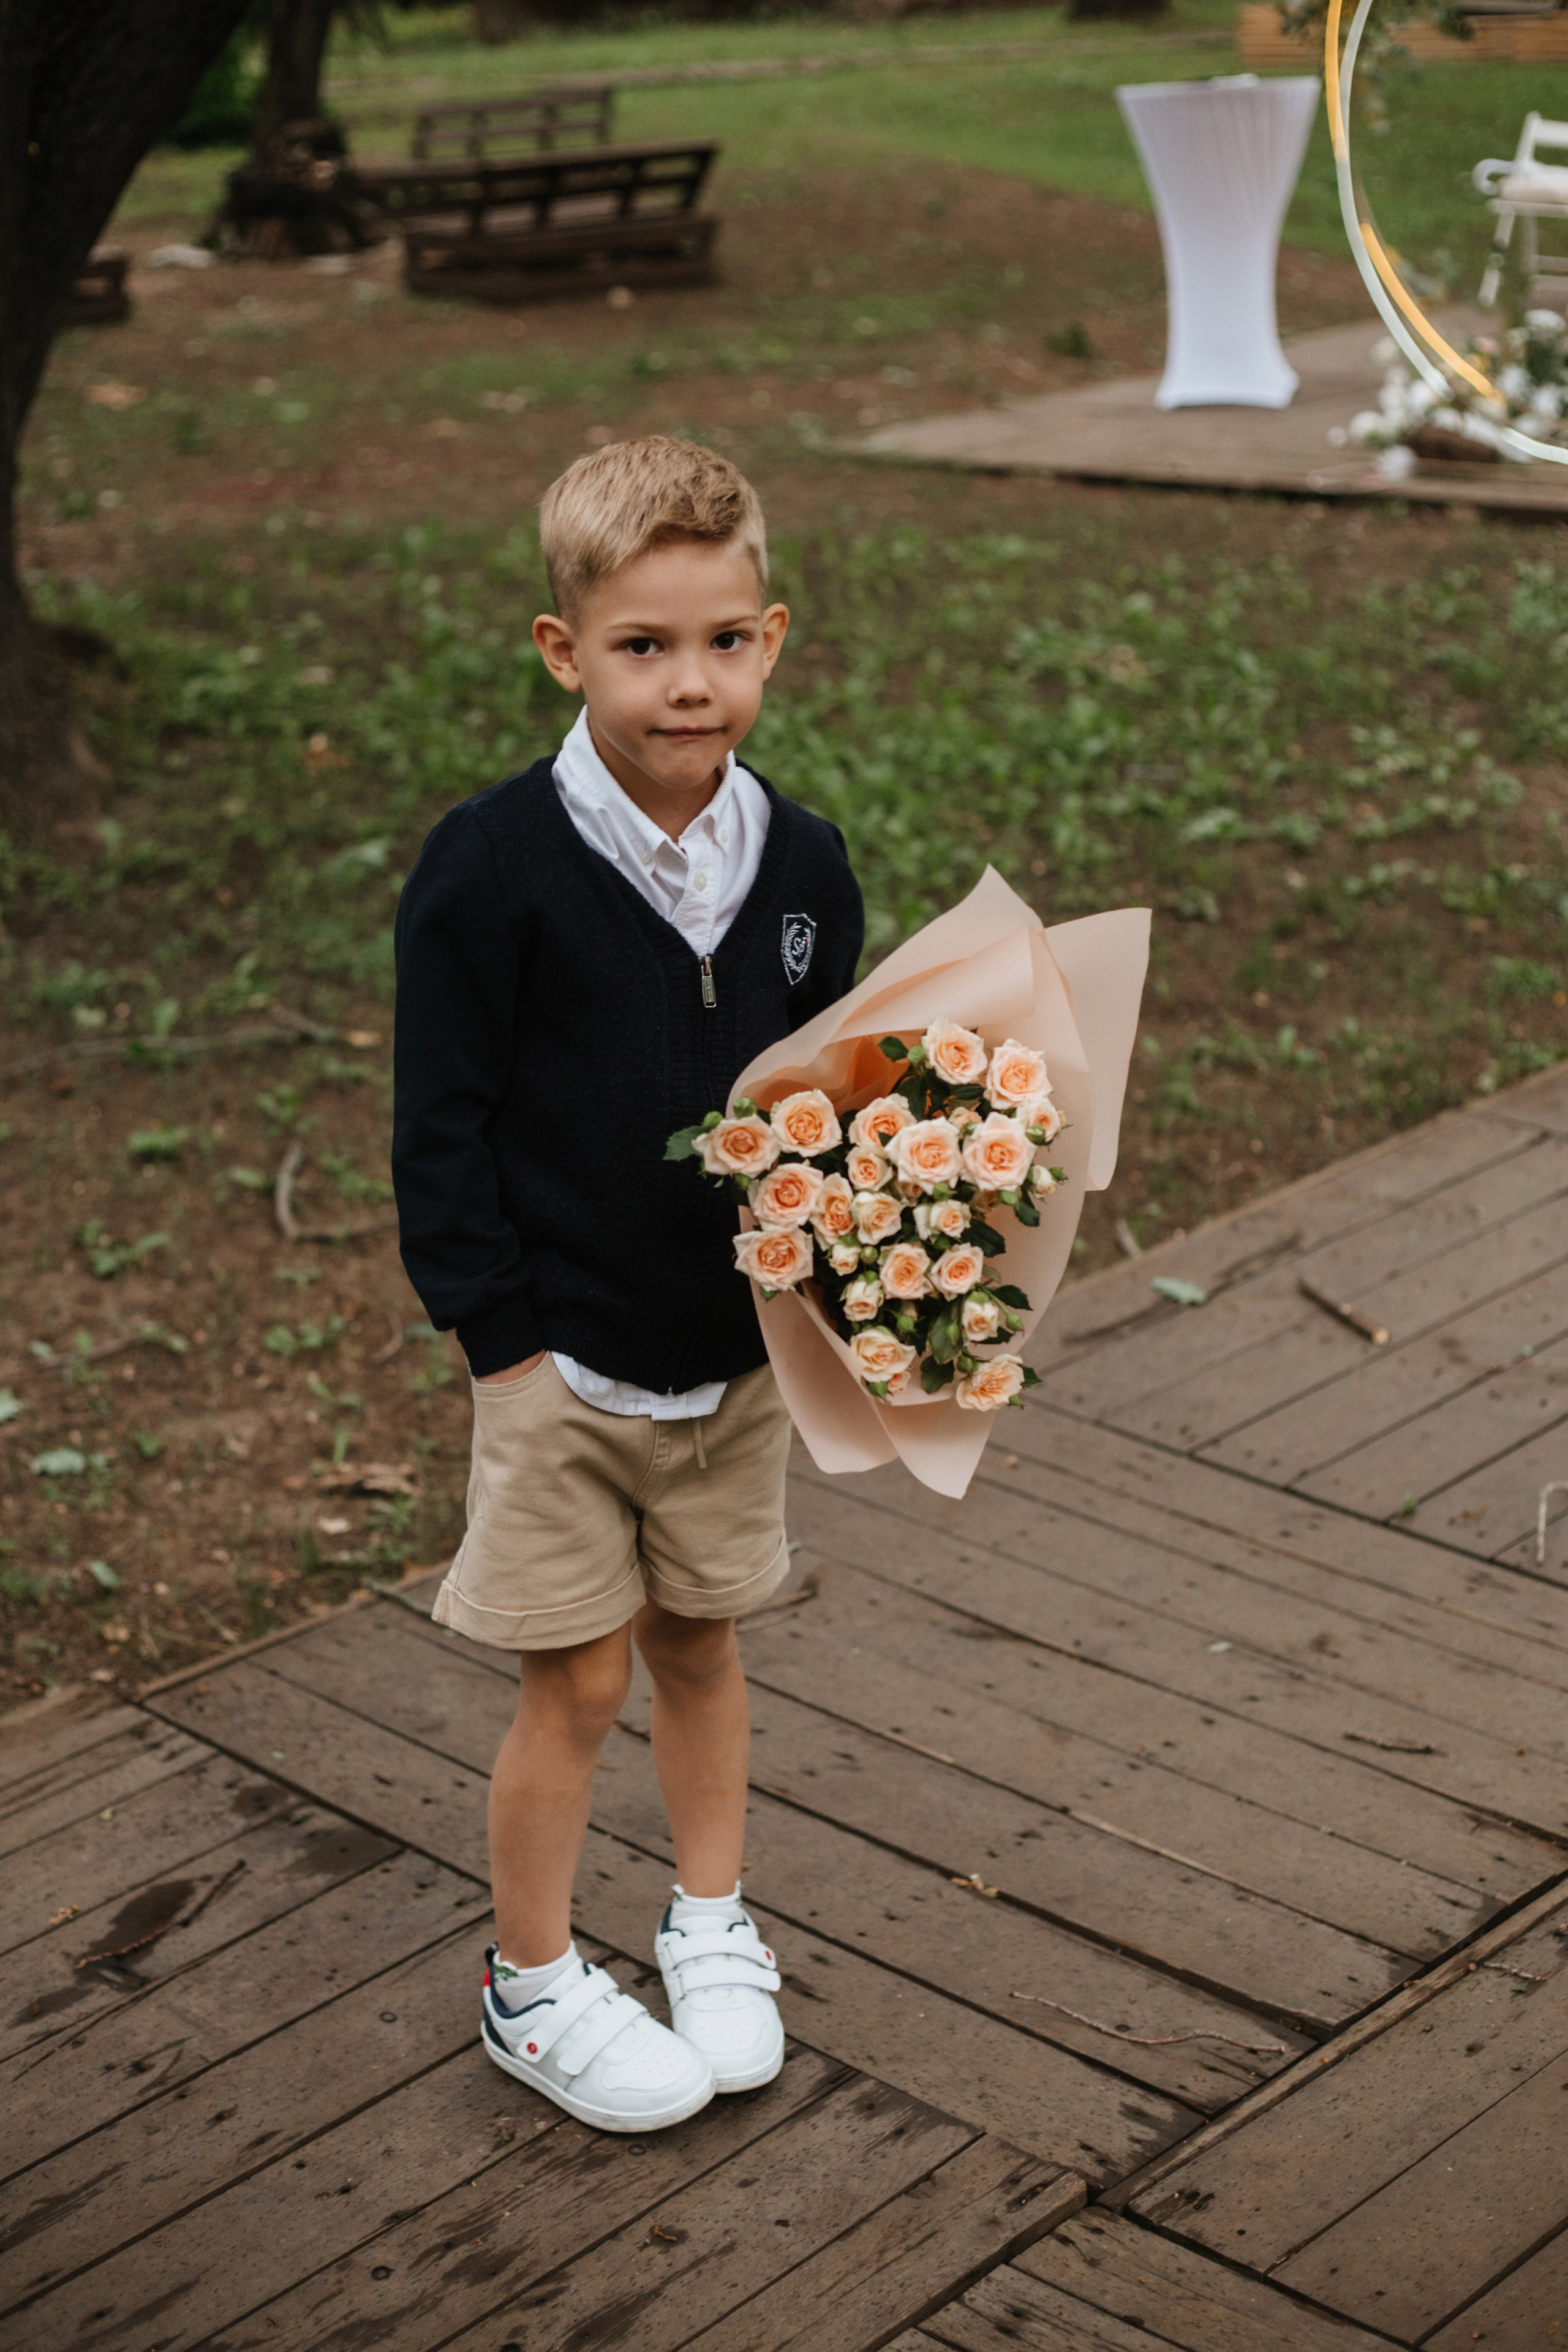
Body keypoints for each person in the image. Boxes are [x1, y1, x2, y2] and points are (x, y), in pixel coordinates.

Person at [391, 436, 864, 2133]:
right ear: (562, 649)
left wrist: (839, 1295)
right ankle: (530, 1984)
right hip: (564, 1371)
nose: (691, 684)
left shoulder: (802, 865)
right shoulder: (493, 866)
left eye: (725, 643)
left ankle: (709, 1919)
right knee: (577, 1678)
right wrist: (502, 1348)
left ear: (775, 636)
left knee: (701, 1641)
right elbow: (438, 1129)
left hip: (730, 1366)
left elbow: (829, 1102)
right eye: (645, 648)